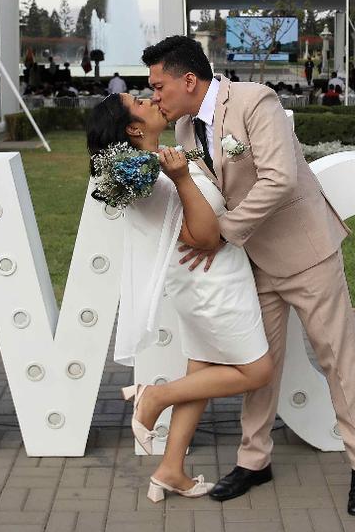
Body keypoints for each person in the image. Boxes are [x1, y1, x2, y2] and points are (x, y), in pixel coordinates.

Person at [147, 35, 355, 516]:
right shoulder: (186, 131)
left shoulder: (255, 100)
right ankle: (254, 461)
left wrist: (223, 234)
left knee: (338, 359)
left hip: (306, 253)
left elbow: (280, 177)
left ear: (188, 80)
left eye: (158, 86)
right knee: (256, 366)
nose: (154, 97)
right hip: (252, 265)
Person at [87, 93, 274, 503]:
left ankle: (170, 469)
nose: (150, 98)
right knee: (257, 372)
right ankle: (154, 395)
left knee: (201, 376)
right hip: (214, 286)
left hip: (203, 283)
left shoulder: (154, 165)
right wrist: (185, 178)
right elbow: (204, 237)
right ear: (134, 128)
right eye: (138, 100)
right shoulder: (152, 177)